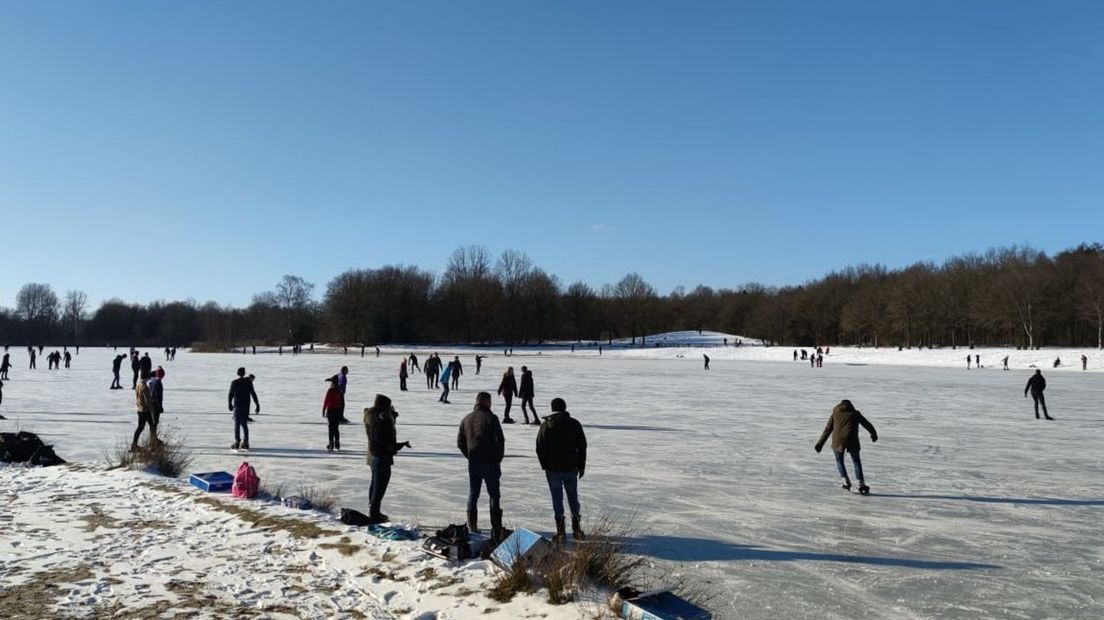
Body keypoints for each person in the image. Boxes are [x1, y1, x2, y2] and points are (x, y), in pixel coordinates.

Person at [536, 398, 587, 543]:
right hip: (571, 468)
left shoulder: (547, 425)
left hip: (553, 469)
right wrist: (581, 465)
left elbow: (539, 446)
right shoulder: (574, 423)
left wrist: (545, 464)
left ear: (552, 409)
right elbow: (582, 445)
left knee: (556, 498)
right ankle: (576, 530)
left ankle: (560, 533)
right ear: (565, 408)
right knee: (573, 497)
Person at [458, 392, 505, 540]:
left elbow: (460, 443)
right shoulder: (492, 418)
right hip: (490, 463)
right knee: (494, 495)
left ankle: (473, 526)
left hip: (474, 463)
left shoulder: (466, 419)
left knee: (473, 493)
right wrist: (497, 459)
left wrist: (470, 456)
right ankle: (496, 528)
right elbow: (500, 441)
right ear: (487, 402)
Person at [365, 393, 411, 524]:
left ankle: (374, 513)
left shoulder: (374, 418)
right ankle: (374, 517)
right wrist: (396, 447)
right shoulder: (382, 421)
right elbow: (382, 442)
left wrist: (397, 445)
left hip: (376, 457)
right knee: (378, 490)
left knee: (375, 487)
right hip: (381, 458)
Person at [815, 399, 877, 495]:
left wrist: (820, 443)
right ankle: (860, 484)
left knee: (839, 460)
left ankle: (845, 481)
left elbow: (828, 429)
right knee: (856, 461)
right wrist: (873, 434)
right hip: (852, 439)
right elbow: (867, 424)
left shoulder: (835, 413)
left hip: (838, 440)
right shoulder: (855, 413)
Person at [228, 367, 260, 450]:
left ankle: (237, 442)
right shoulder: (248, 383)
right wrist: (257, 404)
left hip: (237, 406)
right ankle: (246, 442)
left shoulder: (234, 382)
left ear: (237, 373)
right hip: (246, 406)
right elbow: (253, 394)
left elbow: (230, 394)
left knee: (237, 424)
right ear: (244, 373)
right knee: (244, 424)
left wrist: (229, 404)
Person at [131, 370, 156, 452]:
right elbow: (147, 401)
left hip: (140, 409)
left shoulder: (138, 385)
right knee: (152, 426)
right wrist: (152, 408)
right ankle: (152, 444)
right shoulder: (145, 387)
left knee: (140, 427)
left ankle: (134, 445)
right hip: (145, 410)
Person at [322, 376, 345, 451]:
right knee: (336, 428)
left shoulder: (330, 390)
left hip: (331, 410)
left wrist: (323, 409)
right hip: (337, 411)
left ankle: (331, 444)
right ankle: (337, 444)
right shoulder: (339, 391)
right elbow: (341, 402)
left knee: (331, 428)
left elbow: (326, 400)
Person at [147, 367, 165, 447]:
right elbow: (158, 396)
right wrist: (160, 407)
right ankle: (152, 440)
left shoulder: (152, 381)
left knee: (153, 423)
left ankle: (153, 438)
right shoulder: (158, 383)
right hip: (155, 406)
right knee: (154, 423)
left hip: (151, 405)